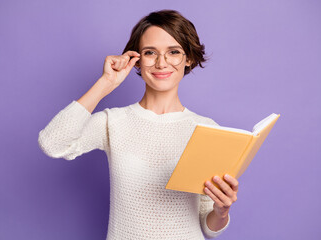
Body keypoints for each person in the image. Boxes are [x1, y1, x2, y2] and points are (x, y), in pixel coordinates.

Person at [38, 9, 238, 240]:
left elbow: (208, 225)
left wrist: (221, 211)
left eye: (173, 52)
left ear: (189, 58)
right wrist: (105, 84)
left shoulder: (207, 130)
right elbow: (52, 143)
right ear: (137, 60)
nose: (162, 63)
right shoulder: (112, 122)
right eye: (150, 52)